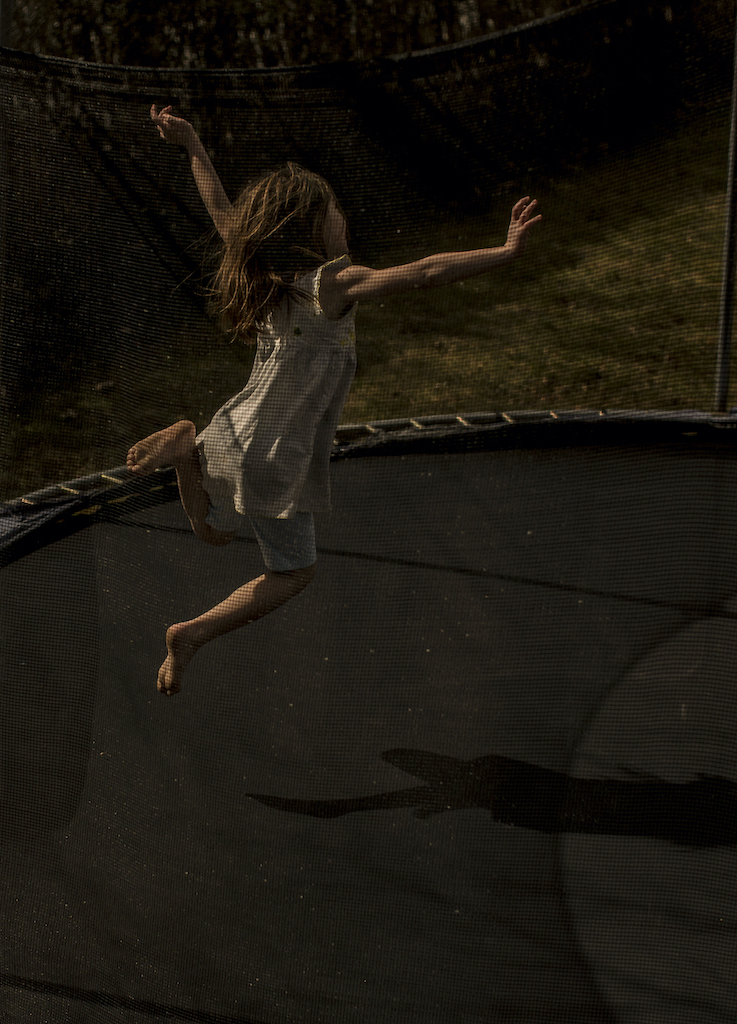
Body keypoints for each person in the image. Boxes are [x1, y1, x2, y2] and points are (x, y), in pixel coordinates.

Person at [129, 104, 541, 696]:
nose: (343, 220)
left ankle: (183, 449)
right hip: (275, 459)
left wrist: (194, 146)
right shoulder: (333, 285)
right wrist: (503, 252)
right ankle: (192, 632)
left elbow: (222, 214)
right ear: (314, 230)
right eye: (335, 213)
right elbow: (424, 272)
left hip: (230, 433)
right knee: (294, 572)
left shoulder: (264, 279)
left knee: (212, 531)